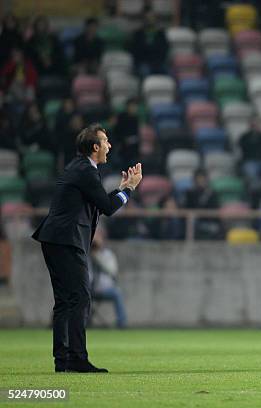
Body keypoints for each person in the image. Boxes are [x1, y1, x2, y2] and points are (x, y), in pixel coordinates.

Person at [32, 123, 142, 373]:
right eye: (105, 142)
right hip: (66, 240)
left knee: (64, 301)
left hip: (55, 238)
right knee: (80, 297)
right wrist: (130, 189)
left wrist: (121, 189)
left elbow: (99, 201)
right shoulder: (86, 171)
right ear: (95, 147)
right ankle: (77, 359)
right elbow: (108, 208)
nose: (109, 146)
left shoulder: (80, 168)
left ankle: (63, 361)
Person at [90, 228, 127, 328]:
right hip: (88, 289)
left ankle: (121, 323)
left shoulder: (107, 254)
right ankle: (83, 323)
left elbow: (112, 271)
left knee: (117, 293)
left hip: (104, 289)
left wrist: (97, 256)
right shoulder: (85, 254)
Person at [130, 10, 169, 76]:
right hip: (143, 63)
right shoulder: (138, 34)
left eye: (152, 18)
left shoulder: (161, 34)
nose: (150, 21)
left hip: (158, 63)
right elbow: (135, 51)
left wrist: (157, 61)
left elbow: (164, 49)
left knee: (168, 73)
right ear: (144, 20)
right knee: (145, 71)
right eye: (148, 19)